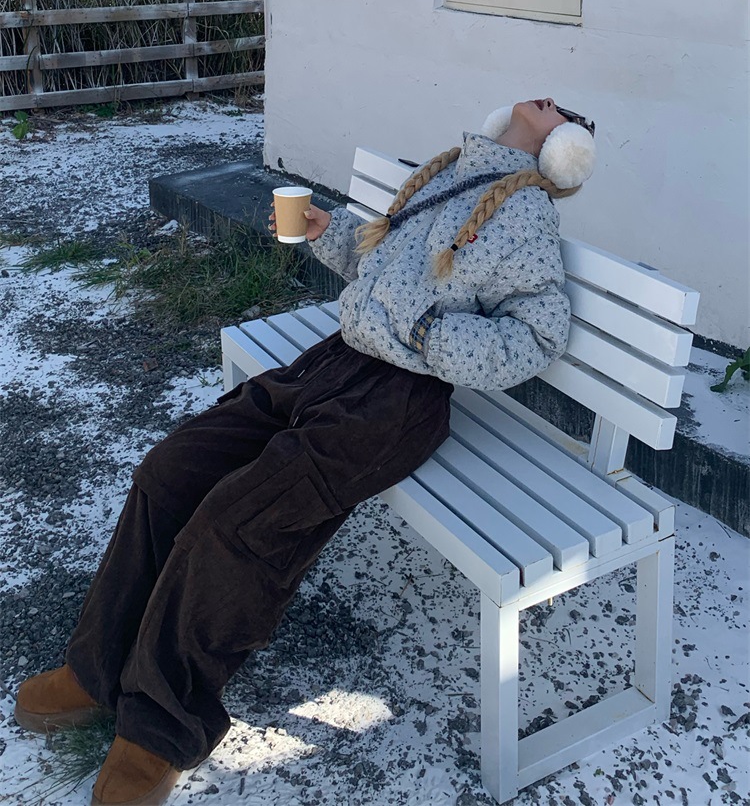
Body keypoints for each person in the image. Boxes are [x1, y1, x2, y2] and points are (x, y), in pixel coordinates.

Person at [13, 98, 596, 806]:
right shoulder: (451, 172)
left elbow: (537, 337)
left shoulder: (526, 212)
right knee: (170, 470)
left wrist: (429, 336)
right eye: (542, 94)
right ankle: (96, 668)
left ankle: (159, 729)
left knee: (238, 522)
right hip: (332, 362)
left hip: (398, 400)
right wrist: (329, 232)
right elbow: (381, 267)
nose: (546, 99)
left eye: (562, 109)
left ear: (564, 144)